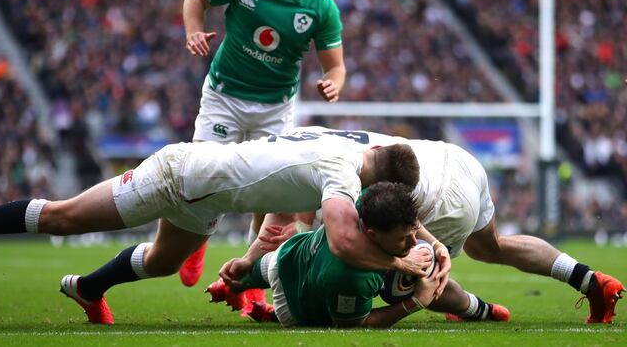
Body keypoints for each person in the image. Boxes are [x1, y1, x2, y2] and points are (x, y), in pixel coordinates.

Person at [0, 132, 438, 324]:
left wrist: (250, 261)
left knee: (162, 262)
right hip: (179, 174)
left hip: (208, 195)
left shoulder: (344, 150)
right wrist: (399, 264)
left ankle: (90, 289)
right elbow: (345, 240)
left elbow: (282, 203)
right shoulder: (343, 174)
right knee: (63, 217)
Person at [255, 127, 625, 324]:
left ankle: (477, 309)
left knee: (400, 277)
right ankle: (590, 280)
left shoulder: (310, 163)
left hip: (435, 201)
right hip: (456, 161)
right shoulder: (325, 138)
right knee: (491, 246)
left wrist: (289, 241)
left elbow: (306, 224)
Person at [180, 0, 346, 290]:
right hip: (225, 95)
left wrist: (331, 85)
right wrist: (193, 32)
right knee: (201, 176)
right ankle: (196, 241)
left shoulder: (321, 4)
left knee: (272, 195)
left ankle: (248, 280)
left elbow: (335, 67)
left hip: (276, 107)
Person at [210, 182, 508, 327]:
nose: (411, 243)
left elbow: (412, 223)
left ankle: (478, 309)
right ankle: (265, 309)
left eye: (411, 235)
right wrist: (417, 302)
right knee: (420, 284)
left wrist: (437, 245)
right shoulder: (352, 278)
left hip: (294, 252)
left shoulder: (371, 203)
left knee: (240, 276)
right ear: (372, 235)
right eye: (403, 239)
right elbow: (359, 324)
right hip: (295, 302)